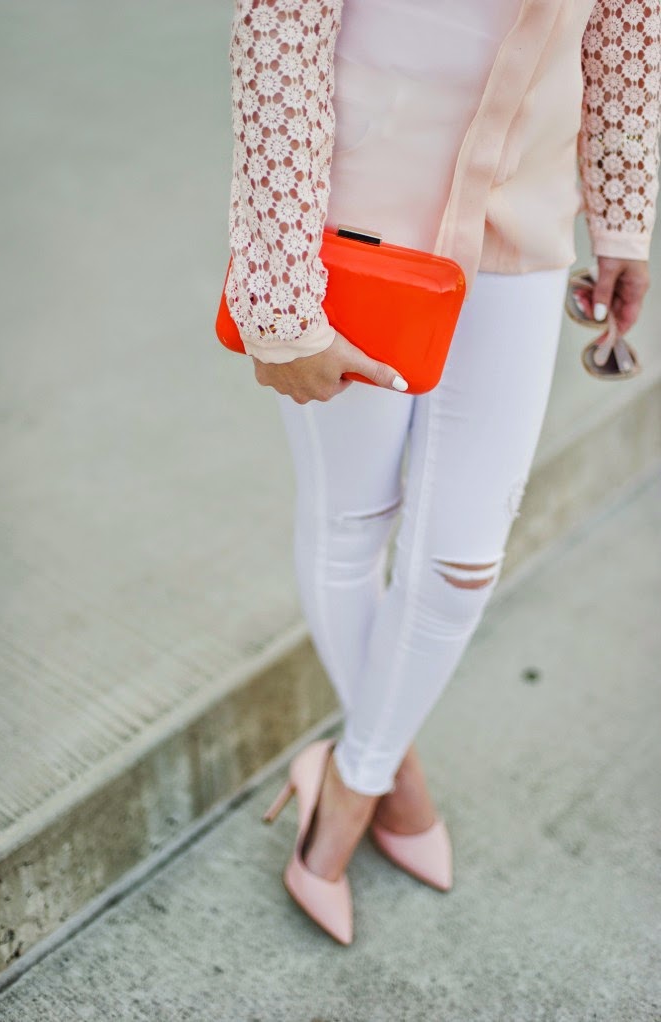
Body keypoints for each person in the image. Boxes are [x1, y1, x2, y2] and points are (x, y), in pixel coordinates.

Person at [225, 0, 661, 944]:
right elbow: (280, 33)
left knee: (463, 563)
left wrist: (623, 218)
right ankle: (393, 770)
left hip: (520, 226)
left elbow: (629, 21)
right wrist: (281, 299)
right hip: (354, 229)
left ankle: (351, 779)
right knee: (352, 520)